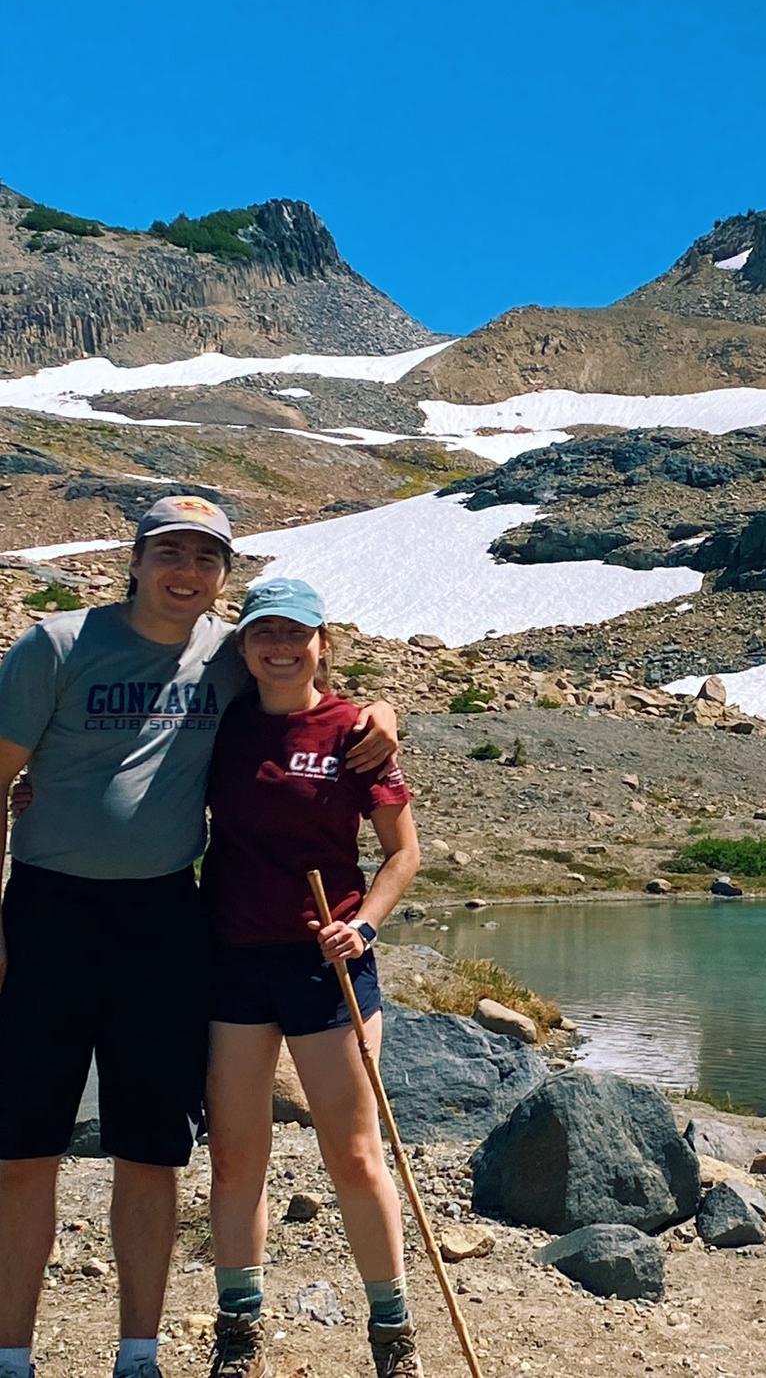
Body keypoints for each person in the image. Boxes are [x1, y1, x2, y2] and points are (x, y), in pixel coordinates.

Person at [0, 497, 398, 1378]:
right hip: (48, 915)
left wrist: (384, 711)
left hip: (166, 921)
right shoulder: (55, 645)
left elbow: (305, 685)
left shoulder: (224, 652)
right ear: (134, 560)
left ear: (223, 577)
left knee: (149, 1146)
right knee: (25, 1147)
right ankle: (11, 1356)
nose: (187, 572)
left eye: (207, 559)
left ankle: (138, 1354)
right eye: (170, 553)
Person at [200, 578, 422, 1378]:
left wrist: (363, 927)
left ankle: (392, 1332)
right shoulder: (221, 722)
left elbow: (404, 853)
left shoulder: (355, 734)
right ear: (245, 645)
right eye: (265, 632)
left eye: (297, 632)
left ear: (323, 641)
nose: (281, 646)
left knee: (356, 1155)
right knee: (235, 1155)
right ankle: (240, 1330)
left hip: (327, 966)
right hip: (231, 958)